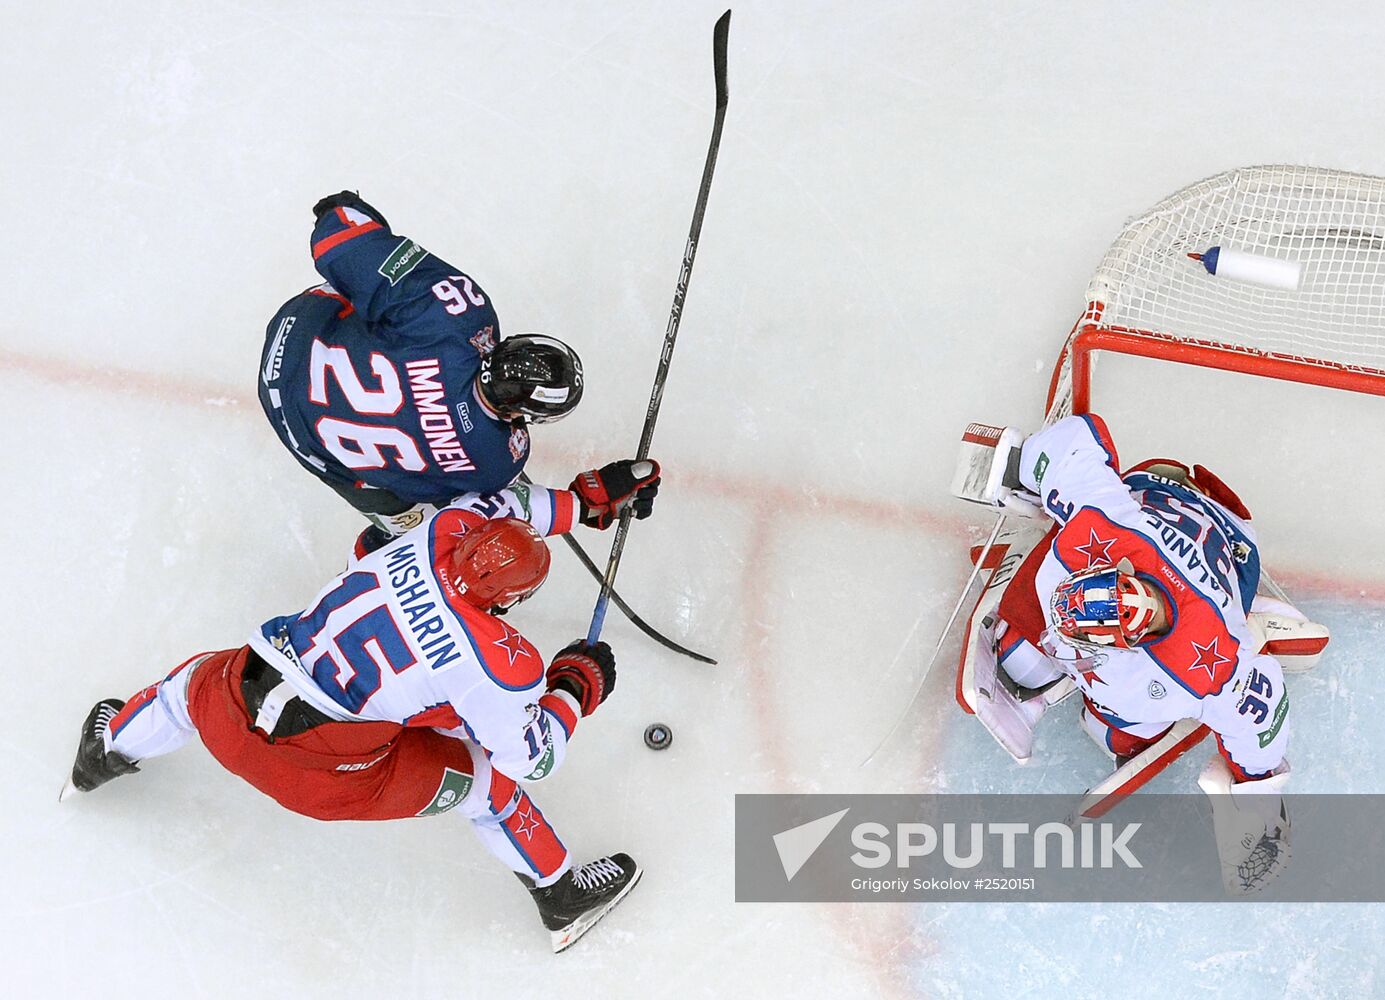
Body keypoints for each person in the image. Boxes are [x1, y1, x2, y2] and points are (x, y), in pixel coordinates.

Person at [61, 476, 656, 952]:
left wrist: (580, 502)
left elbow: (505, 502)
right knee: (493, 787)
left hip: (232, 703)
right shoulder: (500, 663)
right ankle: (560, 895)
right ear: (511, 598)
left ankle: (103, 753)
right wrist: (575, 687)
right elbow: (532, 756)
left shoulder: (442, 529)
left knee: (185, 686)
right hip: (323, 780)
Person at [984, 413, 1324, 891]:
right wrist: (1019, 470)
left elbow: (1261, 716)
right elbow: (1075, 442)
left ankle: (1246, 620)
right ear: (1110, 569)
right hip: (1159, 491)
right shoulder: (1102, 525)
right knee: (1020, 660)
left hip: (1231, 542)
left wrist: (1256, 798)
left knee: (1112, 734)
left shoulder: (1210, 666)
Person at [259, 190, 601, 552]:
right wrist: (581, 504)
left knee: (382, 292)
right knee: (430, 527)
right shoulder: (496, 462)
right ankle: (385, 550)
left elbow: (340, 245)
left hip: (294, 336)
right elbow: (484, 506)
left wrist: (342, 212)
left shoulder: (455, 318)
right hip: (307, 442)